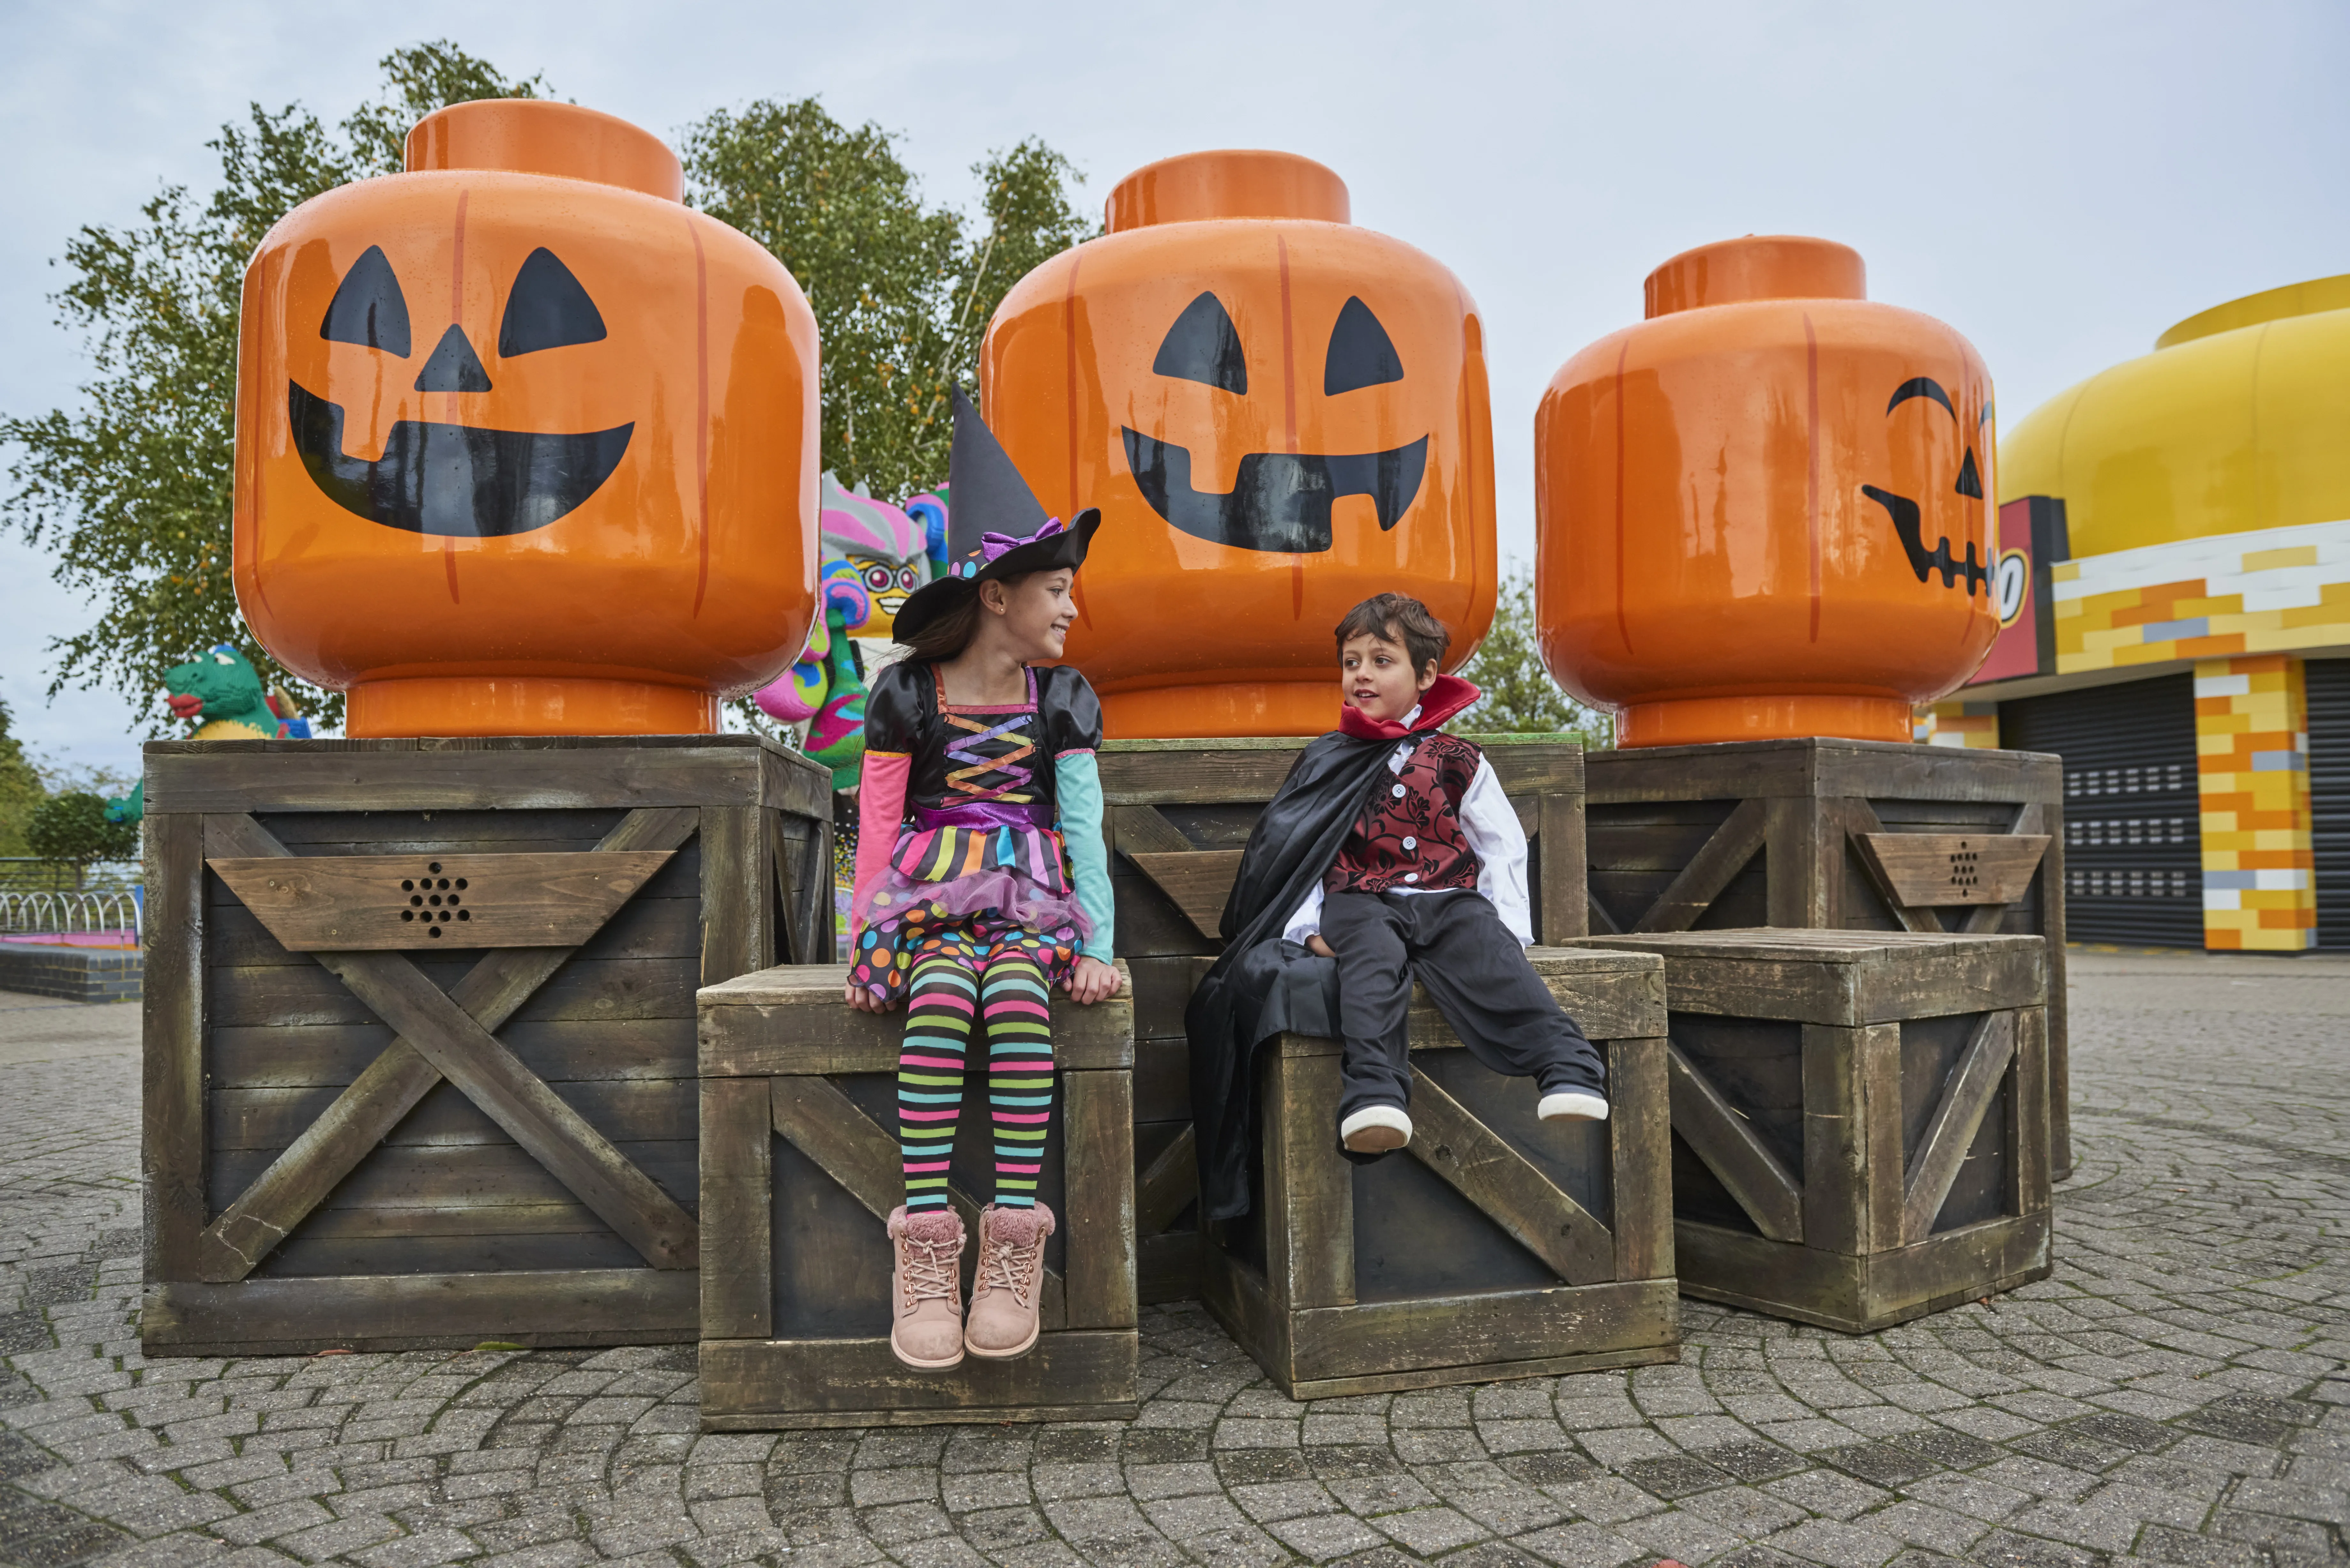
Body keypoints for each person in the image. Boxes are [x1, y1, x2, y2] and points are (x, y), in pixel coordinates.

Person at [845, 388, 1118, 1372]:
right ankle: (923, 1243)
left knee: (1011, 993)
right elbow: (879, 823)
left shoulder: (1067, 699)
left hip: (1032, 897)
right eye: (1057, 590)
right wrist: (866, 939)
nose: (1071, 606)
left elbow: (1085, 830)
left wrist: (1097, 944)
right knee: (940, 992)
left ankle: (1013, 1241)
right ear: (1000, 596)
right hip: (926, 897)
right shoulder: (908, 691)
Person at [1186, 593, 1608, 1220]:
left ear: (1426, 674)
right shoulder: (1327, 759)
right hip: (1361, 900)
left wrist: (1508, 927)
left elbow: (1501, 845)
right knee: (1372, 961)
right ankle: (1374, 1094)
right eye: (1351, 660)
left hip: (1446, 896)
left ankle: (1566, 1064)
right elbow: (1303, 853)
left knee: (1486, 949)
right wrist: (1307, 928)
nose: (1361, 673)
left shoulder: (1458, 758)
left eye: (1381, 659)